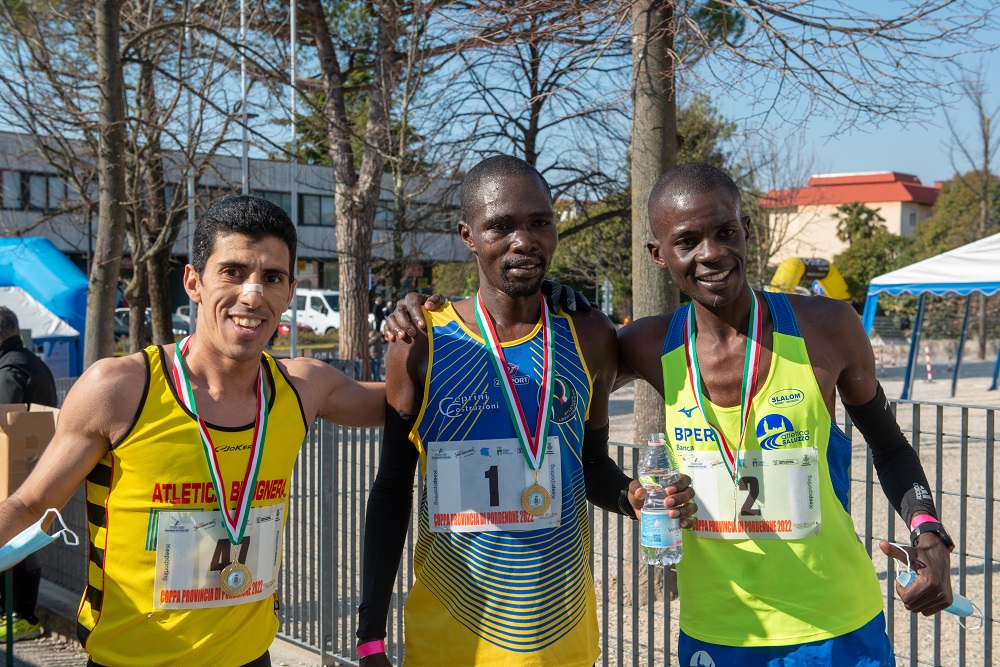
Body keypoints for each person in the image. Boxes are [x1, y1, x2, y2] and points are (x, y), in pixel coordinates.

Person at [0, 195, 385, 667]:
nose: (252, 294)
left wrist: (424, 327)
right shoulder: (120, 388)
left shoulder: (305, 387)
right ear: (193, 282)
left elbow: (410, 401)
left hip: (250, 659)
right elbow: (31, 504)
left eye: (272, 277)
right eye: (232, 271)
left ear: (289, 292)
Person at [354, 155, 696, 667]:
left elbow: (592, 465)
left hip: (563, 641)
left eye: (539, 222)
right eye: (501, 226)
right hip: (451, 643)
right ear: (468, 235)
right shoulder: (421, 340)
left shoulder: (588, 333)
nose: (524, 240)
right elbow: (390, 488)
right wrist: (370, 635)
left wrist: (635, 497)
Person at [614, 162, 953, 665]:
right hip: (720, 631)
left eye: (725, 232)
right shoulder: (645, 344)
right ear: (658, 255)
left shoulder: (827, 327)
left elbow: (891, 446)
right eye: (687, 241)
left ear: (747, 231)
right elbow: (556, 368)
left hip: (837, 626)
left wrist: (929, 532)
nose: (711, 254)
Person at [0, 306, 58, 642]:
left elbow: (6, 419)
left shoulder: (10, 370)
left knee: (15, 542)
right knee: (23, 541)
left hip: (15, 471)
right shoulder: (30, 362)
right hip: (35, 466)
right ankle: (20, 614)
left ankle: (23, 616)